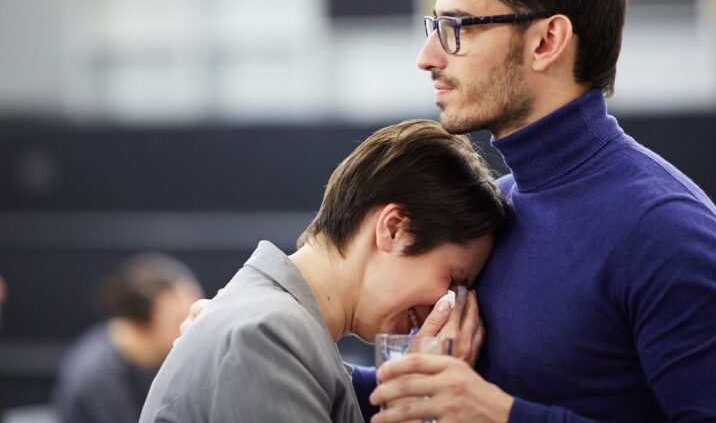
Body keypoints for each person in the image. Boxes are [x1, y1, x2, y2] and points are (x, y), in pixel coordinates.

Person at [361, 0, 716, 422]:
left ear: (547, 41)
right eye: (434, 27)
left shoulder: (666, 230)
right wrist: (276, 326)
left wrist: (503, 415)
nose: (427, 56)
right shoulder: (493, 209)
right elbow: (398, 395)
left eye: (456, 28)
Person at [139, 119, 510, 422]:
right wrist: (422, 412)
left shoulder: (273, 327)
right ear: (394, 229)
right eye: (454, 280)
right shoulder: (269, 335)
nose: (449, 307)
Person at [53, 252, 203, 423]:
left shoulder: (163, 359)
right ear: (140, 326)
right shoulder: (95, 381)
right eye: (179, 318)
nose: (192, 326)